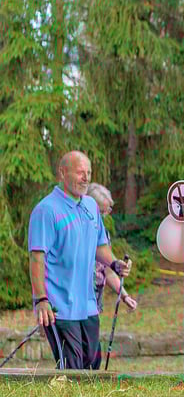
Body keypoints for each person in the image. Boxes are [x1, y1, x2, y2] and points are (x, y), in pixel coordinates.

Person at [28, 151, 132, 370]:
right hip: (59, 306)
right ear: (62, 173)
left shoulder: (91, 206)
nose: (86, 178)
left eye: (89, 173)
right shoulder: (46, 210)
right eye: (80, 173)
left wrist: (115, 264)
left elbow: (100, 246)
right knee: (72, 367)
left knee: (92, 363)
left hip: (88, 305)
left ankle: (78, 395)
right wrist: (41, 299)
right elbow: (37, 258)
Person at [85, 183, 138, 369]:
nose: (104, 216)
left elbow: (107, 269)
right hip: (76, 299)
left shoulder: (102, 234)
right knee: (82, 354)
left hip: (94, 301)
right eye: (101, 212)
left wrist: (124, 296)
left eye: (107, 212)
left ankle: (89, 383)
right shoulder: (77, 230)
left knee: (93, 354)